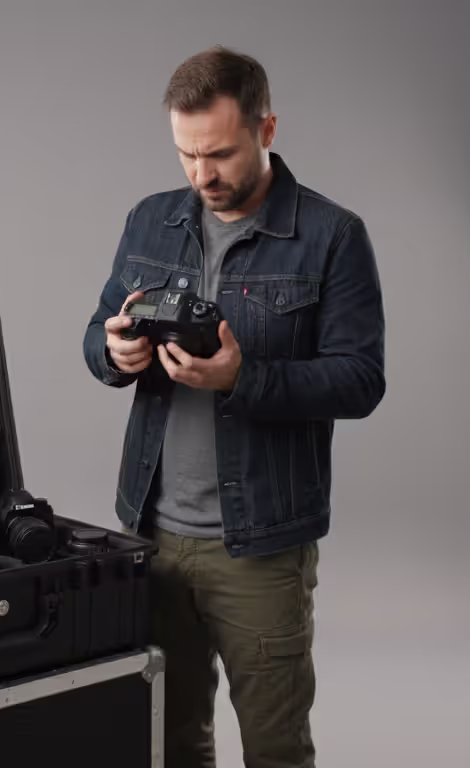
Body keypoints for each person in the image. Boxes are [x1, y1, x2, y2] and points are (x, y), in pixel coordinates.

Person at [82, 46, 386, 767]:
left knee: (276, 749)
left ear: (266, 129)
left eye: (219, 153)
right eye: (186, 154)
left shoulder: (333, 235)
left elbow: (360, 380)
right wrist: (114, 353)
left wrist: (242, 379)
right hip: (151, 534)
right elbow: (97, 332)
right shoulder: (149, 220)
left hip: (262, 546)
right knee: (169, 740)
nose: (201, 175)